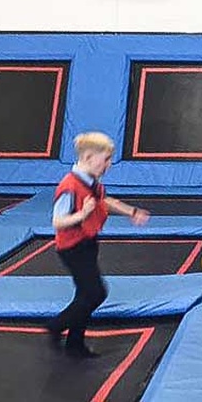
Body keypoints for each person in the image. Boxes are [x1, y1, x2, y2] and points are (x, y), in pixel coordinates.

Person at [46, 132, 150, 358]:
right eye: (106, 160)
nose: (109, 165)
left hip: (88, 243)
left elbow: (105, 202)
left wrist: (131, 212)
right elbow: (57, 220)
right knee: (96, 293)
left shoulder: (92, 182)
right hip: (72, 248)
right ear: (89, 157)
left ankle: (75, 343)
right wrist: (82, 215)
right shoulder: (70, 186)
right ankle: (55, 325)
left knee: (84, 294)